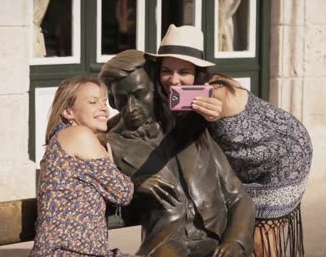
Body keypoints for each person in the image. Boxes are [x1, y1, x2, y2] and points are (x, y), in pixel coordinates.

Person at [146, 24, 313, 257]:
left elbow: (214, 107)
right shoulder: (170, 92)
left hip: (284, 154)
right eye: (167, 70)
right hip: (246, 160)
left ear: (196, 71)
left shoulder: (214, 91)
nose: (174, 79)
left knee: (261, 239)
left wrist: (213, 113)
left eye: (183, 72)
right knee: (241, 228)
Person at [99, 49, 255, 257]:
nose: (130, 108)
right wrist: (132, 185)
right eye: (121, 98)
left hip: (219, 242)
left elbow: (238, 198)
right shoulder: (107, 145)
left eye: (139, 95)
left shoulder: (190, 128)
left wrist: (236, 242)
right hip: (165, 247)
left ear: (155, 88)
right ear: (111, 99)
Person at [30, 76, 134, 257]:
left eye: (103, 102)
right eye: (93, 102)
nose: (104, 108)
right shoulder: (79, 135)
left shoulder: (63, 139)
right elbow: (123, 192)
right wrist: (108, 159)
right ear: (68, 112)